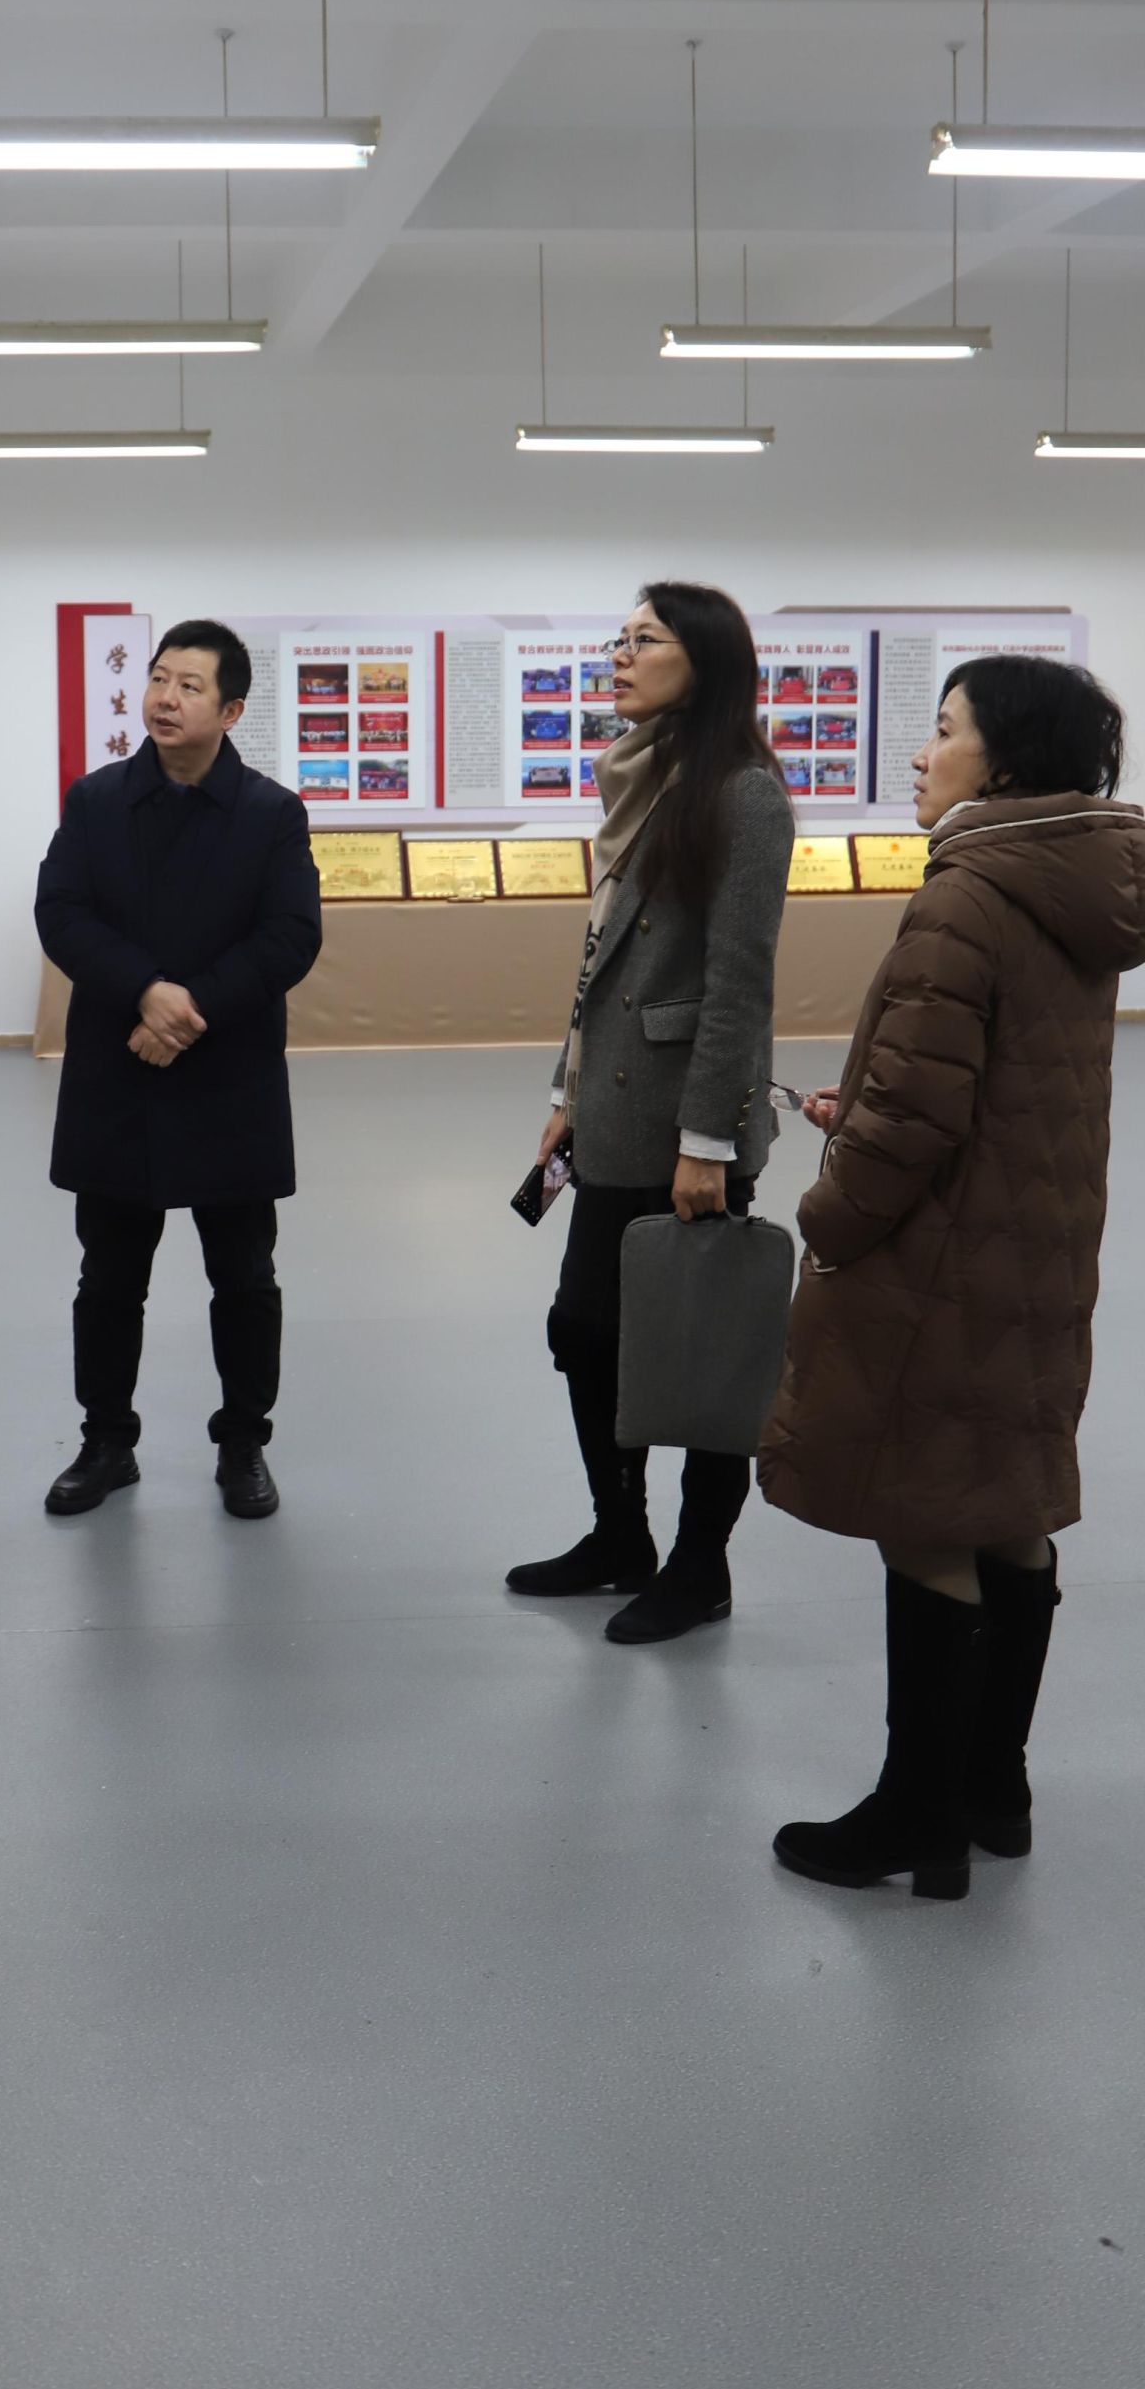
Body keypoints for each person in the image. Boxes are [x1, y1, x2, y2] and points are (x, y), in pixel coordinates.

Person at [760, 656, 1145, 1899]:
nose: (919, 755)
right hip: (1033, 1247)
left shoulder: (965, 893)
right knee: (1006, 1506)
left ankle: (913, 1817)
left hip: (937, 1262)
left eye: (940, 730)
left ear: (1004, 758)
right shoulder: (1072, 890)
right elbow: (986, 1080)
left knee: (923, 1513)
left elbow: (917, 1125)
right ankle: (991, 1788)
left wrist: (829, 1208)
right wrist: (877, 1096)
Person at [508, 582, 794, 1643]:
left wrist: (707, 1141)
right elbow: (602, 956)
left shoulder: (743, 793)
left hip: (686, 1127)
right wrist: (565, 1091)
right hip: (614, 1112)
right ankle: (619, 1534)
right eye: (618, 639)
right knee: (585, 1331)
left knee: (707, 1351)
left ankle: (698, 1565)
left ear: (703, 660)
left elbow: (737, 983)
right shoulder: (638, 776)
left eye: (644, 640)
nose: (619, 657)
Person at [35, 621, 321, 1521]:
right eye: (159, 678)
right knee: (108, 1280)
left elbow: (291, 935)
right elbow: (61, 912)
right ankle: (106, 1441)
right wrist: (144, 990)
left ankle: (243, 1442)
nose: (164, 697)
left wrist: (187, 1010)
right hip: (119, 1073)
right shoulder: (96, 801)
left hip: (226, 1075)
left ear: (231, 710)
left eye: (189, 685)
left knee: (244, 1279)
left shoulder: (271, 814)